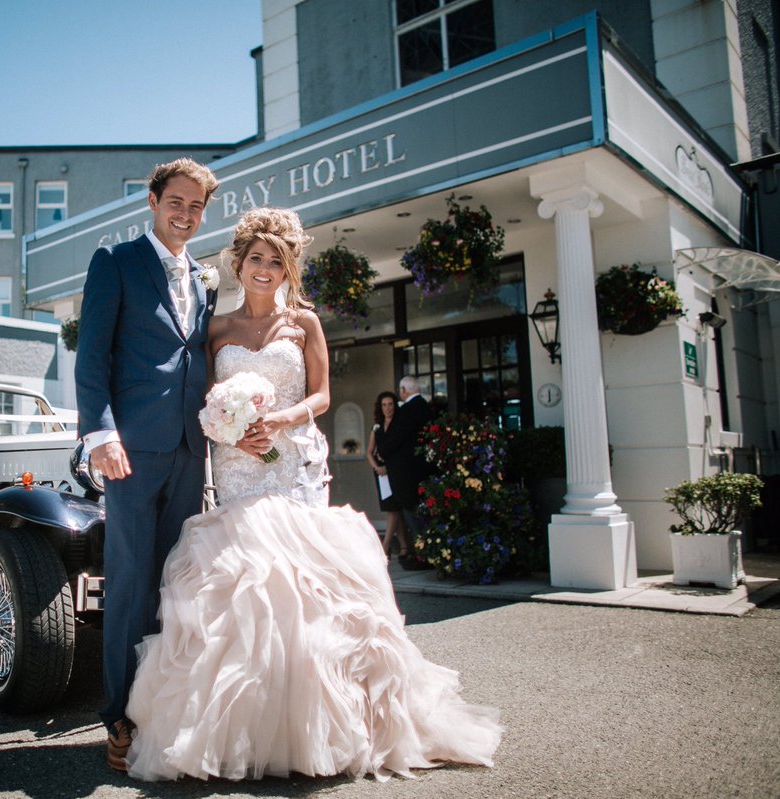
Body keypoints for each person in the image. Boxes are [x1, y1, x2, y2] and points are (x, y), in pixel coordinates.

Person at [124, 207, 503, 781]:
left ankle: (322, 725)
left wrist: (278, 421)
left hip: (289, 462)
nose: (265, 269)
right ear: (239, 262)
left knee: (301, 588)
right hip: (236, 466)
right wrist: (224, 427)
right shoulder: (218, 329)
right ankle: (246, 729)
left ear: (288, 268)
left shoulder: (304, 323)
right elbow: (199, 400)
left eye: (277, 262)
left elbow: (323, 395)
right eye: (256, 259)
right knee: (243, 587)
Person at [74, 157, 220, 772]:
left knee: (175, 587)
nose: (185, 216)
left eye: (196, 208)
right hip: (129, 453)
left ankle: (163, 710)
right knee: (131, 585)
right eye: (176, 203)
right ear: (153, 201)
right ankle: (119, 719)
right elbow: (92, 358)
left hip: (191, 451)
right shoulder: (116, 263)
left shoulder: (207, 280)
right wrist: (99, 433)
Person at [378, 375, 434, 569]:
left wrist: (383, 451)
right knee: (419, 511)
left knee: (412, 511)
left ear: (403, 391)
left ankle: (422, 553)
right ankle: (422, 550)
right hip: (422, 468)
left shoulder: (407, 410)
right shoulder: (426, 407)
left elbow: (395, 438)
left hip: (406, 471)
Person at [366, 390, 406, 558]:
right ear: (380, 407)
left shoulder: (399, 425)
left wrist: (388, 468)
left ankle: (385, 546)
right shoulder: (377, 428)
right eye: (384, 405)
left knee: (394, 509)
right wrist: (377, 467)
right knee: (393, 508)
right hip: (381, 474)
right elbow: (369, 452)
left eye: (390, 404)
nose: (387, 408)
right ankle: (404, 547)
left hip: (395, 471)